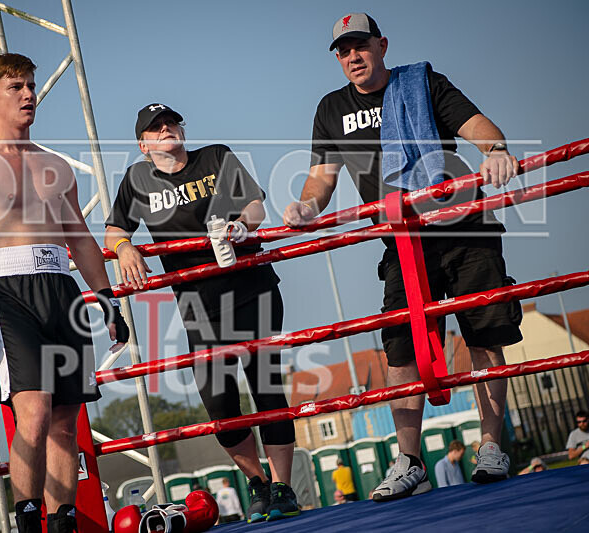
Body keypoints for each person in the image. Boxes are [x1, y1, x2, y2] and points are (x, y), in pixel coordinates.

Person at [284, 13, 522, 502]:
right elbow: (322, 179)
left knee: (484, 334)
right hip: (402, 242)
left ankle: (492, 447)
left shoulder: (423, 83)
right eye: (343, 50)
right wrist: (305, 206)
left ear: (382, 45)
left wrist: (495, 149)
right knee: (398, 349)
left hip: (464, 229)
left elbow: (479, 126)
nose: (353, 56)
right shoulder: (331, 108)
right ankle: (409, 460)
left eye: (361, 45)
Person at [0, 53, 128, 533]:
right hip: (9, 290)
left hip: (61, 286)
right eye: (16, 87)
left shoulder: (54, 165)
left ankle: (63, 522)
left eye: (30, 85)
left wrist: (107, 299)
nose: (28, 95)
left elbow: (81, 238)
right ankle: (28, 522)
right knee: (36, 411)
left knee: (67, 418)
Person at [104, 103, 299, 523]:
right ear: (143, 145)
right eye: (156, 128)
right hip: (197, 303)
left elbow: (255, 207)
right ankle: (258, 483)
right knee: (220, 404)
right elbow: (115, 228)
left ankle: (283, 488)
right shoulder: (138, 179)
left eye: (171, 122)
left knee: (265, 387)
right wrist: (124, 248)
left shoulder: (215, 156)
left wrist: (240, 225)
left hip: (251, 289)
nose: (166, 129)